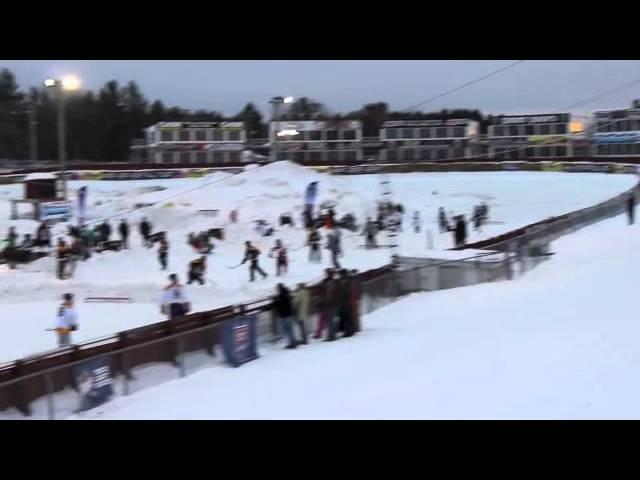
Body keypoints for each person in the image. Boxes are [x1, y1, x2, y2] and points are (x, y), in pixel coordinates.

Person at [273, 283, 299, 349]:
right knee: (290, 329)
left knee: (287, 330)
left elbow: (278, 304)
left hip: (284, 315)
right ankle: (293, 342)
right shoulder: (287, 294)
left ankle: (292, 343)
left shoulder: (281, 296)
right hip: (289, 314)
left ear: (279, 288)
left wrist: (275, 301)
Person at [315, 269, 338, 341]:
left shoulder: (329, 282)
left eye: (327, 273)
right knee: (330, 321)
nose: (326, 274)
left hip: (328, 304)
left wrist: (322, 302)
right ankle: (332, 335)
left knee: (329, 321)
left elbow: (328, 294)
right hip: (330, 304)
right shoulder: (330, 281)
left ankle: (331, 337)